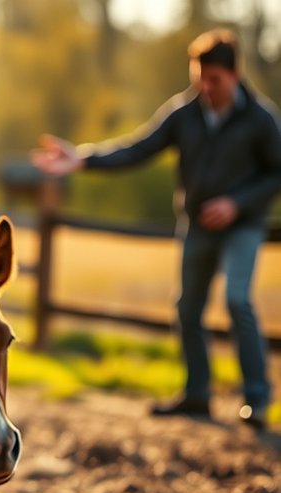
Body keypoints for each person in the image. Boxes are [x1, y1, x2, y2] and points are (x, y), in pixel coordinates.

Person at [31, 29, 281, 431]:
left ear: (234, 75)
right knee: (187, 307)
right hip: (197, 224)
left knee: (238, 300)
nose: (204, 87)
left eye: (213, 79)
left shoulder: (260, 119)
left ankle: (257, 399)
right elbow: (138, 148)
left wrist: (237, 203)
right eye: (198, 76)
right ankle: (197, 394)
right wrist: (82, 160)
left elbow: (276, 173)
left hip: (243, 226)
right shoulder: (184, 113)